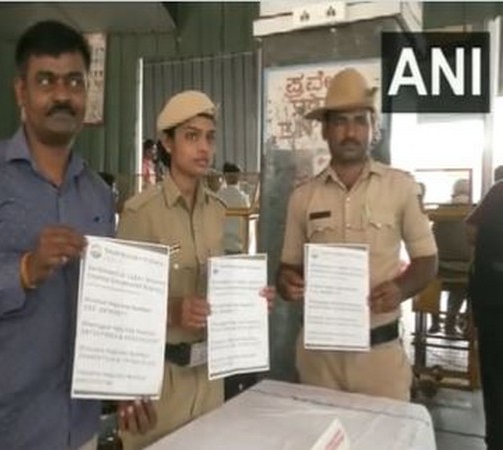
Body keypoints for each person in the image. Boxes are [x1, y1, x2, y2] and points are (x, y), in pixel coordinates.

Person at [0, 20, 154, 450]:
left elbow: (103, 313)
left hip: (79, 434)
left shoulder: (97, 195)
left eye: (74, 82)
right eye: (47, 81)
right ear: (21, 92)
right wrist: (21, 272)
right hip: (0, 434)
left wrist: (124, 382)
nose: (62, 95)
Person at [116, 90, 273, 449]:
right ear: (167, 144)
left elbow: (217, 287)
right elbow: (121, 309)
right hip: (159, 385)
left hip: (209, 380)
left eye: (209, 137)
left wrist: (249, 302)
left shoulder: (218, 211)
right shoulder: (141, 213)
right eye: (191, 136)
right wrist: (172, 310)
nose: (204, 147)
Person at [276, 68, 437, 401]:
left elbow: (428, 261)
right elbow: (286, 269)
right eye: (339, 122)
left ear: (372, 129)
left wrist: (400, 288)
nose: (350, 132)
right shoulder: (302, 197)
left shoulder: (401, 187)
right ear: (325, 130)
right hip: (319, 361)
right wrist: (287, 282)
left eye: (360, 121)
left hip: (379, 359)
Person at [466, 177, 503, 450]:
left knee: (494, 378)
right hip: (493, 299)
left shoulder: (499, 191)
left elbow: (470, 232)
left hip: (493, 299)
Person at [428, 178, 472, 336]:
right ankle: (450, 322)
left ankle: (433, 322)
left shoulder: (442, 209)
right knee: (461, 286)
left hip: (439, 266)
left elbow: (432, 237)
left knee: (432, 284)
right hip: (465, 266)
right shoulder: (474, 208)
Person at [217, 162, 250, 254]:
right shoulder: (243, 198)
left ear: (225, 177)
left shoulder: (217, 196)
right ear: (238, 177)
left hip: (221, 246)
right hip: (238, 246)